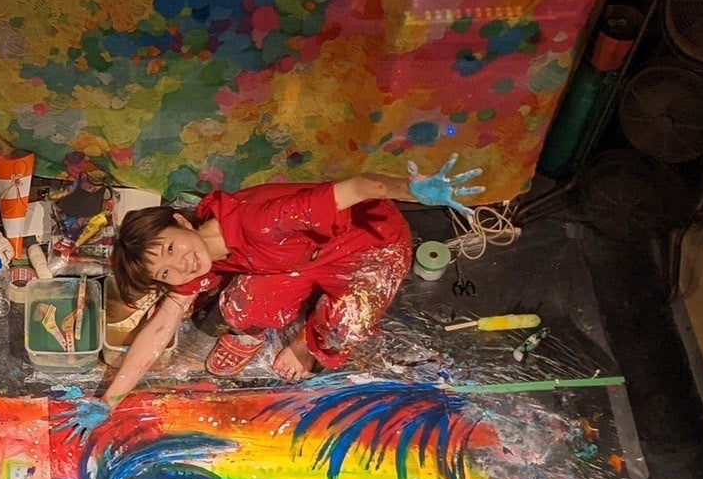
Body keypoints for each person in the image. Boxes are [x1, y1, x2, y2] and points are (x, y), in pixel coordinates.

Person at [58, 158, 482, 438]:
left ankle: (303, 345)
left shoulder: (260, 221)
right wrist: (108, 402)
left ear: (180, 222)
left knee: (344, 326)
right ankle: (261, 326)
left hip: (368, 246)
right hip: (295, 259)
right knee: (240, 305)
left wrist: (413, 189)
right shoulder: (201, 256)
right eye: (165, 272)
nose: (179, 267)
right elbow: (161, 327)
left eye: (170, 248)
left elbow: (357, 187)